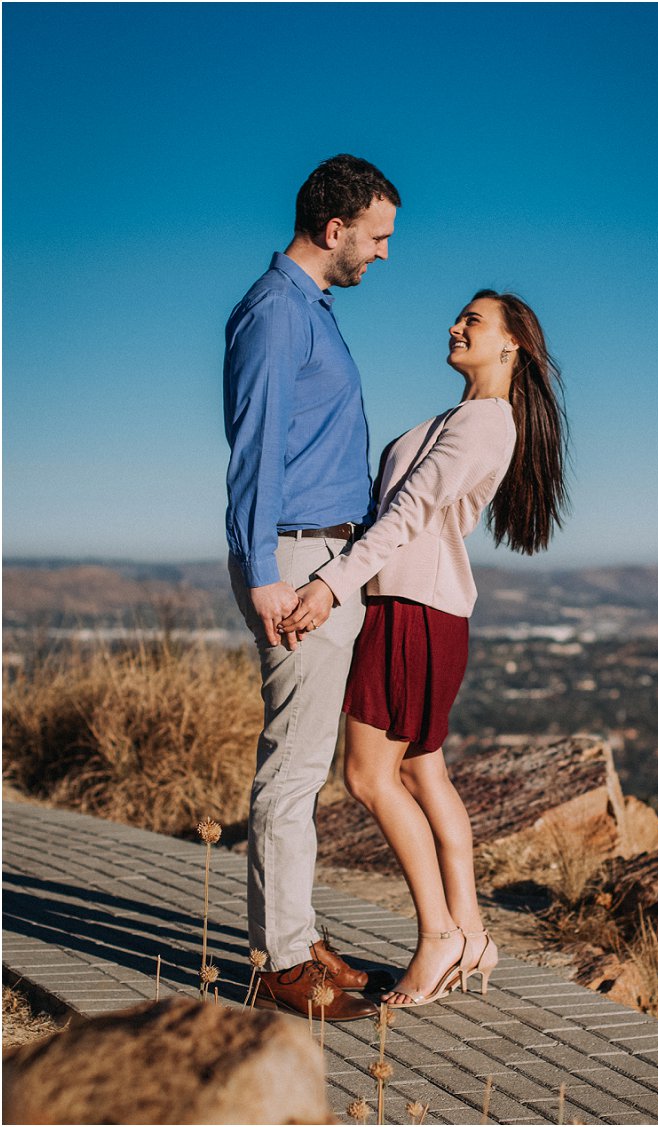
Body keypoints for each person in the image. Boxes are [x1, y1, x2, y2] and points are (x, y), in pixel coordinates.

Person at [281, 289, 569, 1007]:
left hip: (410, 611)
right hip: (425, 611)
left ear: (512, 345)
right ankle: (468, 929)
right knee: (422, 772)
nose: (455, 325)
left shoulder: (480, 423)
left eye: (473, 320)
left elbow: (405, 515)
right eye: (458, 316)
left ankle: (436, 936)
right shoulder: (473, 417)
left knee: (369, 778)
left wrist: (330, 584)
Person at [224, 154, 400, 1021]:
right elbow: (254, 449)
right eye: (377, 237)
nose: (383, 253)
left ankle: (296, 934)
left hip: (319, 559)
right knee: (291, 773)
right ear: (334, 231)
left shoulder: (311, 312)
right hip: (293, 563)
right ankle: (280, 963)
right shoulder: (274, 313)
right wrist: (263, 575)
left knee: (301, 768)